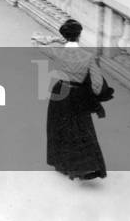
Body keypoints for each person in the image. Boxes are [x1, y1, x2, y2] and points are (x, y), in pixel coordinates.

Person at [32, 19, 111, 181]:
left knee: (59, 128)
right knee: (81, 129)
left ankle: (62, 163)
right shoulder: (88, 57)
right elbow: (97, 86)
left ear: (64, 35)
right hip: (79, 95)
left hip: (60, 92)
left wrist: (58, 39)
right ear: (80, 35)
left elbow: (35, 40)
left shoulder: (57, 51)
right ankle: (84, 166)